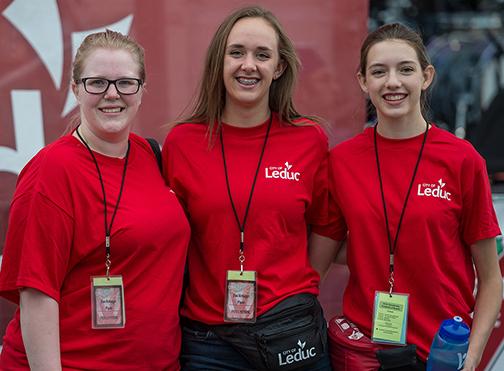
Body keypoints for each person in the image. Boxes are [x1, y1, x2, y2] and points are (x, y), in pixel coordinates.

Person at [310, 23, 502, 371]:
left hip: (439, 354)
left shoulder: (462, 159)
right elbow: (318, 262)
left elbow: (490, 280)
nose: (393, 82)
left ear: (426, 76)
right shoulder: (341, 162)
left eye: (406, 69)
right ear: (363, 82)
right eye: (379, 72)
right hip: (363, 353)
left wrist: (471, 358)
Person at [0, 30, 190, 370]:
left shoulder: (152, 156)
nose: (112, 94)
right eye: (97, 83)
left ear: (142, 90)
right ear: (75, 89)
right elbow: (36, 295)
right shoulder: (51, 171)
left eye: (125, 83)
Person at [162, 6, 333, 371]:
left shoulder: (308, 139)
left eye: (262, 55)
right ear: (218, 62)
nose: (248, 65)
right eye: (236, 52)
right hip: (209, 342)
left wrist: (295, 285)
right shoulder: (182, 143)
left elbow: (326, 226)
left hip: (291, 331)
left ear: (279, 67)